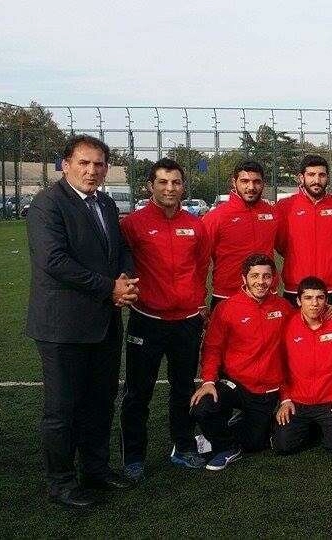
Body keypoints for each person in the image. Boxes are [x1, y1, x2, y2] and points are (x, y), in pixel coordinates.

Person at [26, 135, 138, 507]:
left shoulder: (104, 203)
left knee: (101, 401)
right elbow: (54, 262)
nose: (92, 171)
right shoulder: (47, 204)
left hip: (104, 321)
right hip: (63, 327)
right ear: (66, 165)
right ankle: (61, 483)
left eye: (99, 164)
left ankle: (96, 470)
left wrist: (124, 279)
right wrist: (109, 288)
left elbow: (121, 248)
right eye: (84, 163)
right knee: (63, 410)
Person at [118, 158, 211, 481]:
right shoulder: (133, 224)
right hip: (147, 320)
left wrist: (198, 302)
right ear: (150, 186)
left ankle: (183, 447)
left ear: (183, 186)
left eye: (176, 182)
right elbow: (122, 264)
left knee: (183, 387)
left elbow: (201, 267)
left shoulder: (196, 225)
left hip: (186, 321)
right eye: (163, 182)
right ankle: (133, 457)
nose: (170, 188)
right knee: (138, 392)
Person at [190, 254, 291, 470]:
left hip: (267, 390)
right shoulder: (227, 308)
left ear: (273, 278)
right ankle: (226, 447)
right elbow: (212, 348)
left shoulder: (283, 308)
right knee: (202, 407)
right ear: (244, 278)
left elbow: (307, 324)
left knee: (255, 444)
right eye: (255, 276)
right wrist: (208, 381)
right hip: (236, 383)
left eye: (266, 276)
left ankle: (234, 427)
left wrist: (328, 312)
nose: (261, 281)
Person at [272, 276, 332, 455]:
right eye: (308, 298)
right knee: (283, 447)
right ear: (298, 301)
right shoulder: (286, 326)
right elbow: (280, 366)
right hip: (297, 402)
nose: (314, 303)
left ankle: (321, 427)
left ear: (326, 300)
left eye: (320, 298)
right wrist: (285, 399)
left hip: (331, 401)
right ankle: (307, 427)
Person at [276, 155, 332, 316]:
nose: (317, 180)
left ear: (327, 177)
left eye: (321, 175)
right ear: (301, 177)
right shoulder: (285, 207)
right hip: (295, 290)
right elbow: (280, 245)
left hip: (330, 290)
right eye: (311, 175)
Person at [202, 160, 279, 307]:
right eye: (244, 181)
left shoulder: (273, 213)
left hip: (266, 294)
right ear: (234, 182)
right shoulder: (216, 217)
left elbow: (282, 245)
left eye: (256, 182)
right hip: (227, 296)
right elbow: (200, 261)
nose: (251, 187)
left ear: (263, 183)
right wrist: (199, 301)